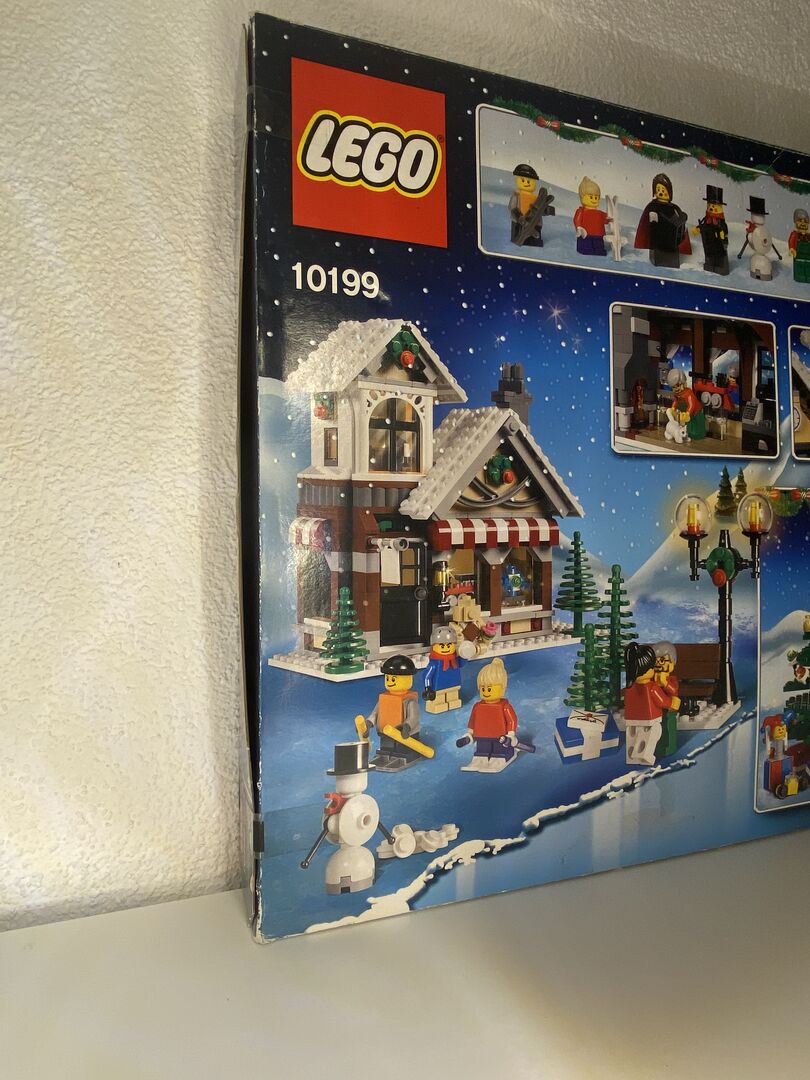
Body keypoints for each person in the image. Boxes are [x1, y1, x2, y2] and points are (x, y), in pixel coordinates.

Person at [634, 173, 691, 268]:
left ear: (669, 191)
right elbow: (647, 225)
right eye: (658, 190)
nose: (660, 192)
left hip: (672, 243)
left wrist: (683, 219)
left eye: (663, 190)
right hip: (658, 242)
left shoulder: (674, 208)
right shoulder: (652, 206)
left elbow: (682, 220)